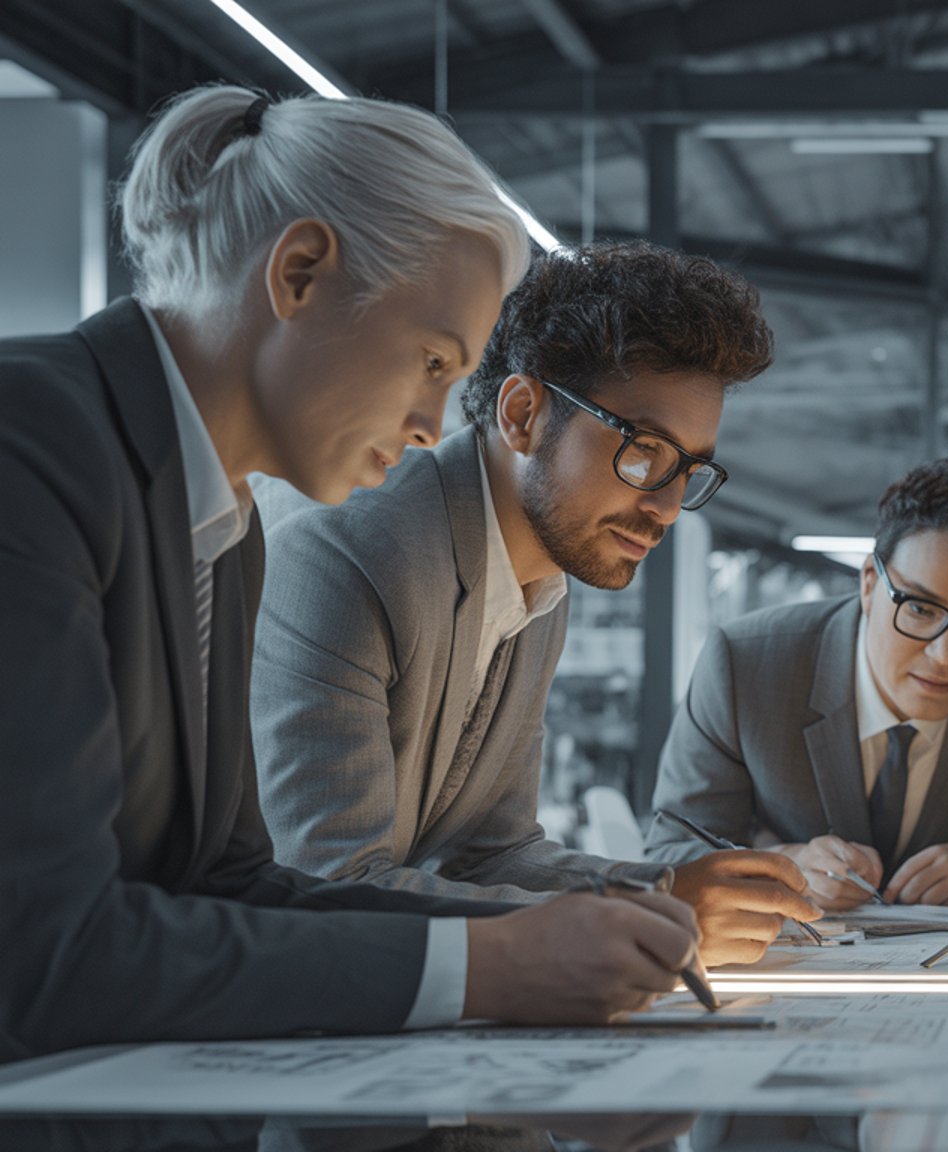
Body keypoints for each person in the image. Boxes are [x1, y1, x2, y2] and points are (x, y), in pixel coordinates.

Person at [0, 87, 698, 1062]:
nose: (430, 423)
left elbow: (231, 882)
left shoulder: (222, 525)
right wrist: (486, 970)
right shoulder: (33, 441)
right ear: (300, 274)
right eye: (429, 360)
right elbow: (45, 951)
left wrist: (534, 932)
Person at [252, 242, 820, 967]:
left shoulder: (542, 584)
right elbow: (327, 886)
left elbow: (492, 853)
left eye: (691, 470)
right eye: (644, 451)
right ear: (522, 413)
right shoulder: (349, 557)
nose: (670, 507)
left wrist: (676, 885)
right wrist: (653, 914)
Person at [646, 457, 948, 910]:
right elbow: (671, 853)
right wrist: (785, 865)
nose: (946, 655)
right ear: (870, 584)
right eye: (919, 608)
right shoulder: (744, 665)